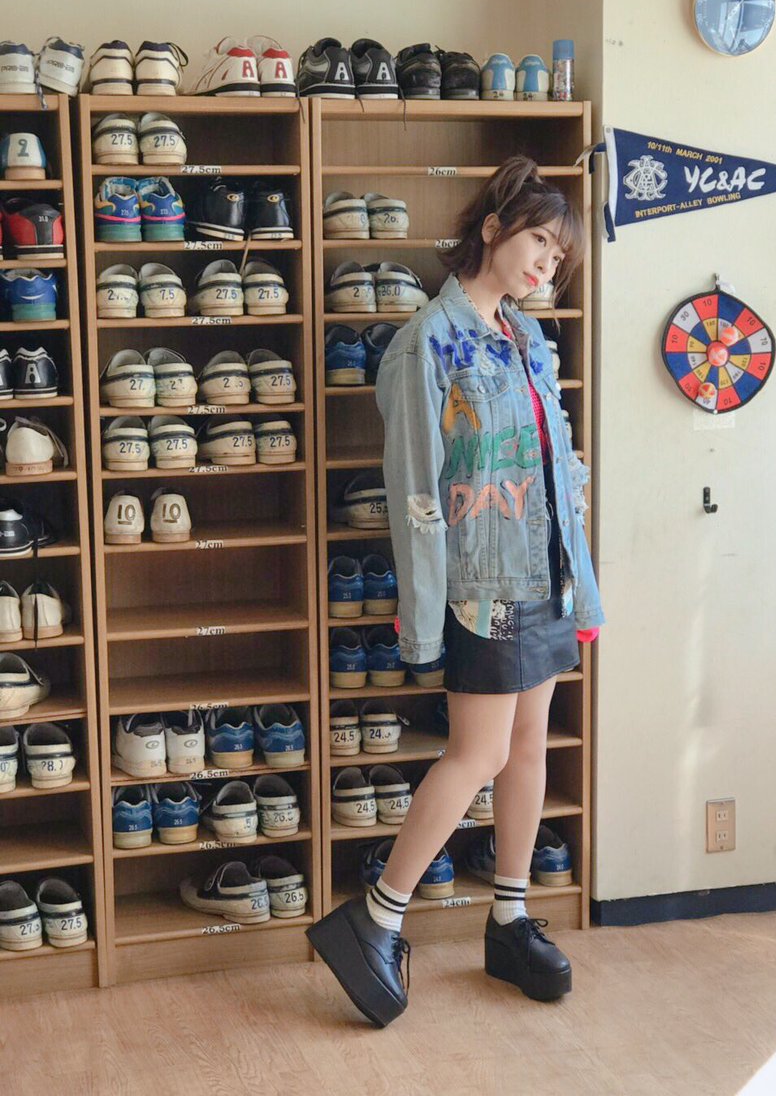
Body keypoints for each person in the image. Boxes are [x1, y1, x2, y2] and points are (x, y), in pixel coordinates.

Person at [307, 155, 604, 1027]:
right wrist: (425, 619)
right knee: (477, 753)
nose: (548, 262)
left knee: (529, 746)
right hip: (482, 586)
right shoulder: (423, 344)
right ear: (493, 229)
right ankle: (376, 917)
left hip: (546, 571)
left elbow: (559, 458)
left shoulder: (528, 337)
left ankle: (508, 919)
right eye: (540, 241)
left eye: (559, 254)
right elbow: (416, 495)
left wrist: (581, 577)